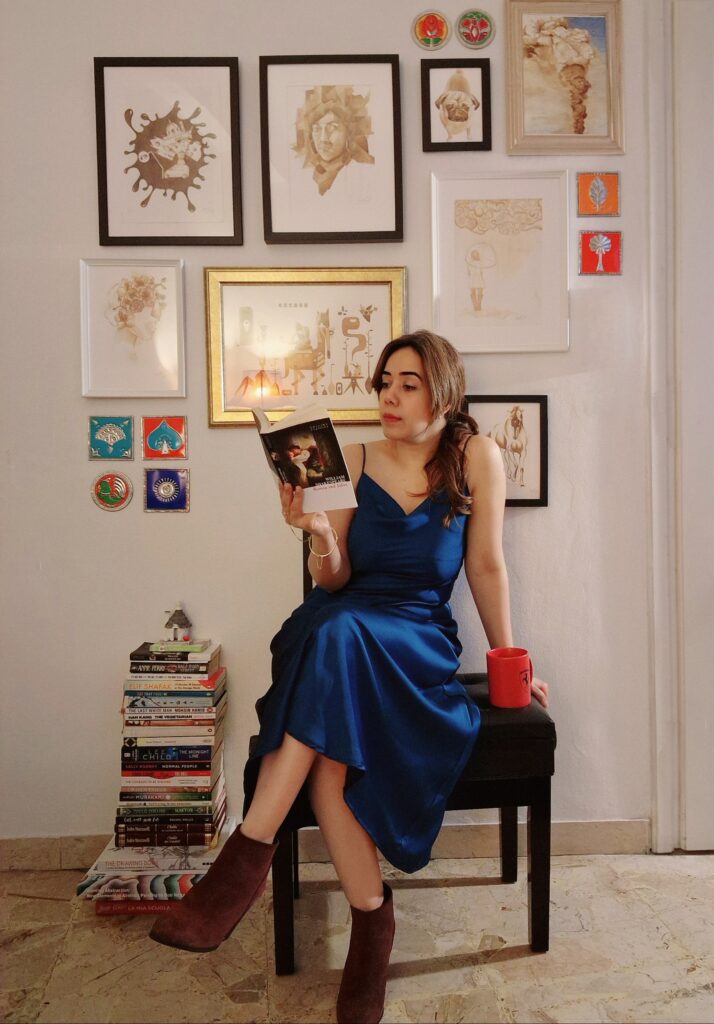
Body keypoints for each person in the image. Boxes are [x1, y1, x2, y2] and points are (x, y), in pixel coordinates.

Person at [150, 330, 549, 1024]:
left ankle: (246, 858)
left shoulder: (476, 456)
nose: (389, 396)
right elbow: (331, 579)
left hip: (416, 639)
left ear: (444, 392)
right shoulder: (349, 457)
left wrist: (509, 661)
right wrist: (321, 534)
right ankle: (371, 924)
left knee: (334, 638)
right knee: (331, 733)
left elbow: (486, 566)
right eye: (384, 382)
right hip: (339, 627)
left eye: (408, 383)